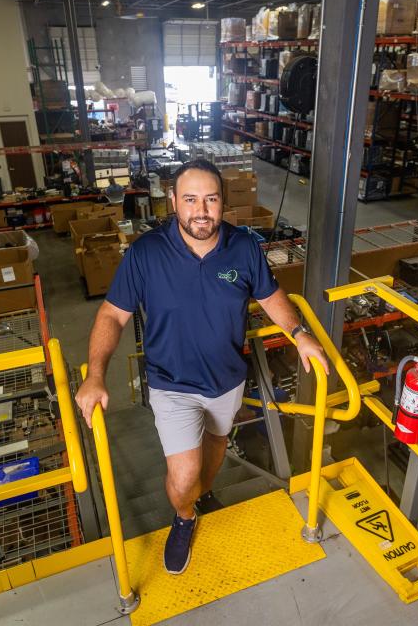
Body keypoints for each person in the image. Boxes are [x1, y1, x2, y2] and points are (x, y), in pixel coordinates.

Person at [75, 159, 329, 575]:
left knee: (213, 453)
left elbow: (270, 295)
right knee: (185, 470)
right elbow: (111, 316)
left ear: (222, 203)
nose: (201, 210)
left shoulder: (244, 246)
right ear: (172, 202)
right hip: (171, 384)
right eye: (190, 199)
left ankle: (197, 495)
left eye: (210, 199)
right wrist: (96, 374)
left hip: (227, 380)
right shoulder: (146, 254)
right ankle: (184, 515)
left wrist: (299, 332)